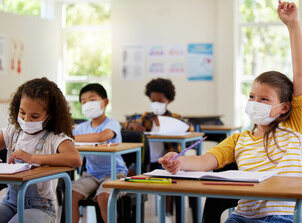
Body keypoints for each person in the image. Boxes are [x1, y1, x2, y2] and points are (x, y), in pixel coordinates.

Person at [159, 0, 302, 223]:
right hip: (243, 217)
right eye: (252, 97)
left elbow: (301, 74)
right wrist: (180, 162)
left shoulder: (294, 129)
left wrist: (293, 26)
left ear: (285, 107)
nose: (254, 102)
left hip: (282, 217)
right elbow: (204, 162)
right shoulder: (238, 140)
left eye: (264, 99)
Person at [0, 77, 82, 223]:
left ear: (49, 116)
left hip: (40, 207)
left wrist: (32, 158)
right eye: (22, 112)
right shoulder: (13, 132)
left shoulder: (54, 137)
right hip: (10, 203)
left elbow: (75, 159)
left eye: (35, 116)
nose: (26, 120)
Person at [71, 83, 127, 223]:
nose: (88, 104)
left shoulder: (112, 123)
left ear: (105, 102)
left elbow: (102, 137)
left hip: (114, 173)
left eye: (92, 100)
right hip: (91, 175)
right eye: (84, 102)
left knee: (104, 197)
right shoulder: (82, 127)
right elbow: (64, 137)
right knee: (71, 194)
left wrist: (71, 138)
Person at [125, 77, 194, 170]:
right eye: (153, 101)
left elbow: (190, 128)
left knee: (162, 175)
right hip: (146, 159)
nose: (156, 104)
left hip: (167, 161)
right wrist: (131, 125)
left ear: (169, 101)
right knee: (130, 172)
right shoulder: (146, 118)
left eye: (160, 101)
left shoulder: (174, 118)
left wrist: (177, 127)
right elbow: (127, 125)